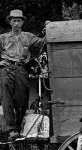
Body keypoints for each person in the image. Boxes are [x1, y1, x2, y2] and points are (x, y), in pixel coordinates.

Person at [0, 9, 47, 140]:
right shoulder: (2, 38)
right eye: (13, 20)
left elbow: (43, 42)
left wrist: (48, 29)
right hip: (6, 69)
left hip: (21, 69)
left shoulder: (28, 36)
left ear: (22, 23)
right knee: (6, 99)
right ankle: (11, 129)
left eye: (18, 20)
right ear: (10, 22)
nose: (16, 23)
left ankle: (19, 126)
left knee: (22, 98)